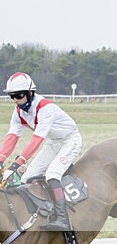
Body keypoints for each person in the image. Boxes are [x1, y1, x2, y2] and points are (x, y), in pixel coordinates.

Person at [0, 72, 82, 230]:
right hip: (53, 142)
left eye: (19, 95)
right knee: (27, 178)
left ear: (31, 92)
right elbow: (11, 137)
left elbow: (36, 140)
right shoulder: (18, 112)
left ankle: (63, 219)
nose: (16, 100)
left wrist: (15, 165)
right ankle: (40, 212)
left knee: (52, 174)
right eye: (12, 96)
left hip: (70, 140)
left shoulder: (45, 108)